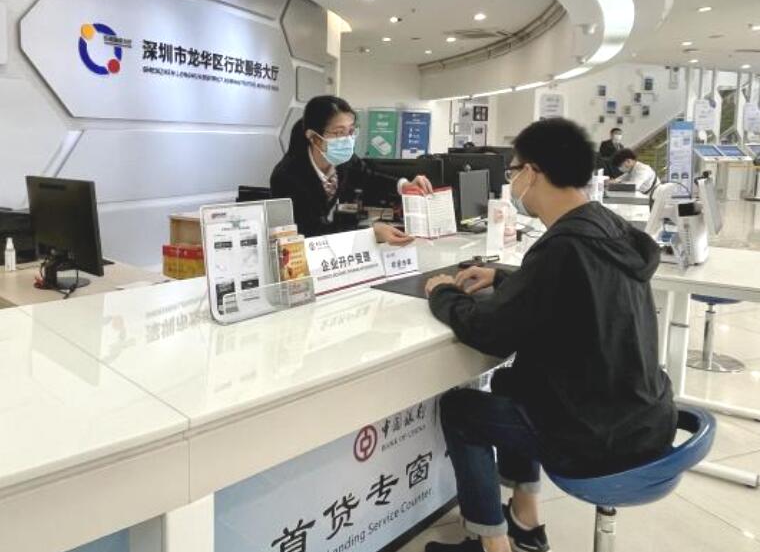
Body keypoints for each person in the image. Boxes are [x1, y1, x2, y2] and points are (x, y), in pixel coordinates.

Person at [422, 118, 677, 552]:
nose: (513, 182)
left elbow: (489, 332)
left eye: (513, 171)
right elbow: (576, 293)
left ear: (532, 172)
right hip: (644, 420)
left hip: (597, 439)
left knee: (461, 411)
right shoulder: (607, 227)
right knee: (513, 383)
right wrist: (504, 278)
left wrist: (443, 293)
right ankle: (526, 519)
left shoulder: (563, 247)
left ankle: (492, 546)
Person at [270, 95, 433, 242]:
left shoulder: (343, 159)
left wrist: (404, 185)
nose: (347, 139)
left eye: (350, 131)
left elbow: (369, 177)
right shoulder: (287, 177)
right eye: (338, 132)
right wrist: (369, 233)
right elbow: (311, 231)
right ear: (314, 137)